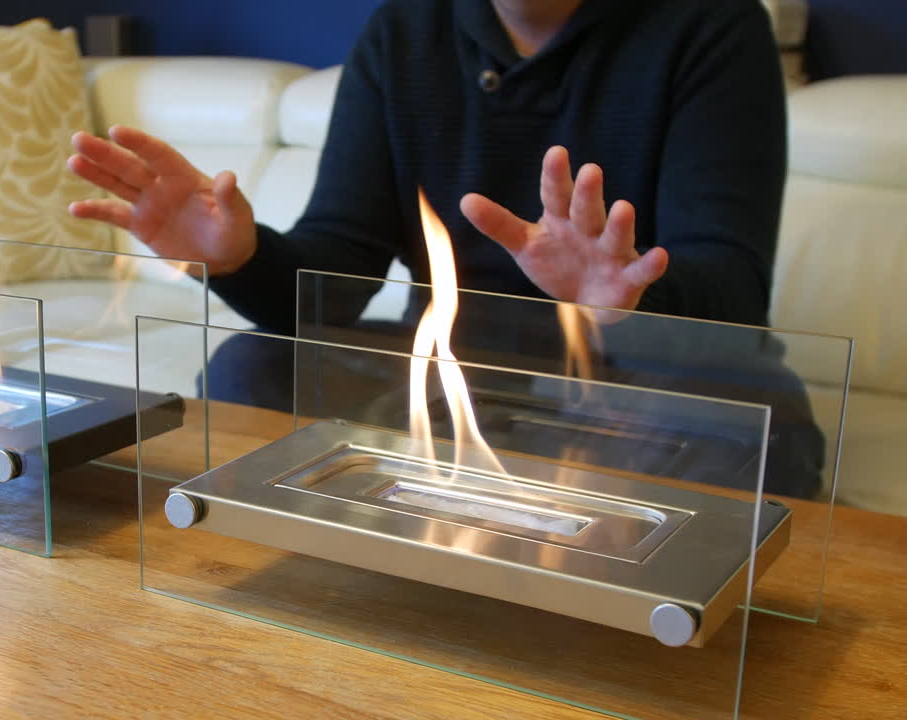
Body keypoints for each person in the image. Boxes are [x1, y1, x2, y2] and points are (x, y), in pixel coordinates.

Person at [68, 0, 822, 497]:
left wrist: (625, 299)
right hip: (447, 377)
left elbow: (733, 294)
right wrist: (237, 256)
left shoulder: (714, 25)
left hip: (628, 383)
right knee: (249, 367)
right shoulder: (406, 33)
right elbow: (337, 275)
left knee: (766, 435)